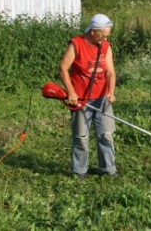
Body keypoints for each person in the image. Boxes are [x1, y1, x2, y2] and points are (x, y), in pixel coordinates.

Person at [59, 14, 117, 180]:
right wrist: (71, 92)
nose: (106, 38)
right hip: (82, 100)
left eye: (107, 35)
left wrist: (111, 92)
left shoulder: (105, 46)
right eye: (103, 35)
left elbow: (110, 72)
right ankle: (79, 171)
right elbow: (63, 68)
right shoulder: (76, 44)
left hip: (102, 99)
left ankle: (108, 169)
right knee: (81, 137)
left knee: (106, 134)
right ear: (93, 31)